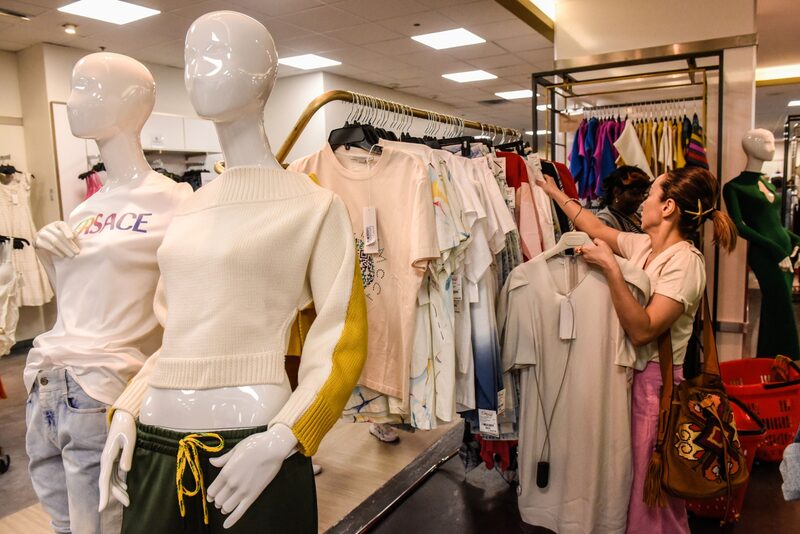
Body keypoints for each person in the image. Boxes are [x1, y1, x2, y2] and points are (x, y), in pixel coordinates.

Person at [536, 166, 737, 534]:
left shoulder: (685, 263)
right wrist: (554, 193)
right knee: (630, 487)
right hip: (634, 382)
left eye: (651, 195)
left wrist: (612, 270)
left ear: (668, 208)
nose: (643, 201)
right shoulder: (646, 246)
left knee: (652, 498)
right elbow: (596, 228)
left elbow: (643, 330)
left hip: (658, 391)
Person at [596, 165, 651, 233]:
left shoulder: (637, 216)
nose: (641, 199)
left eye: (642, 194)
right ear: (616, 192)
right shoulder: (604, 220)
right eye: (634, 194)